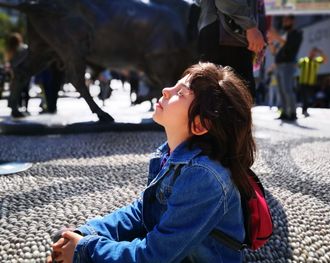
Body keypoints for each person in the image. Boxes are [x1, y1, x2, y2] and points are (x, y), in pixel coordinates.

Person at [47, 62, 256, 263]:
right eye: (175, 85)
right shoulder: (171, 152)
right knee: (66, 240)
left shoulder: (204, 176)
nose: (166, 90)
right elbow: (141, 212)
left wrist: (85, 249)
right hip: (172, 251)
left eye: (181, 93)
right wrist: (84, 234)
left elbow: (154, 256)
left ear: (200, 125)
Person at [196, 0, 266, 99]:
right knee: (233, 99)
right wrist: (250, 26)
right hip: (227, 35)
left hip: (227, 34)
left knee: (221, 98)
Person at [268, 15, 303, 121]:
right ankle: (284, 112)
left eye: (287, 20)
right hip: (278, 65)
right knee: (281, 91)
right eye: (283, 20)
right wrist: (270, 42)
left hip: (288, 64)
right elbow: (274, 52)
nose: (284, 22)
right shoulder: (283, 34)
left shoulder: (297, 33)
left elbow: (290, 47)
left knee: (288, 89)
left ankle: (292, 113)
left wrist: (276, 36)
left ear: (293, 21)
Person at [4, 32, 30, 114]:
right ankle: (22, 108)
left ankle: (15, 108)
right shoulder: (23, 48)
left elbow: (9, 63)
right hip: (24, 73)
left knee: (16, 91)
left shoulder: (10, 50)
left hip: (15, 73)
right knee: (24, 91)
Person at [298, 47, 327, 116]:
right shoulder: (304, 60)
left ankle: (305, 109)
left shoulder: (316, 61)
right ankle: (304, 110)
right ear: (309, 52)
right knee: (304, 97)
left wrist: (321, 52)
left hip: (311, 82)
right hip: (303, 82)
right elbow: (297, 65)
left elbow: (325, 60)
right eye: (312, 52)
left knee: (309, 97)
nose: (313, 54)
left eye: (314, 52)